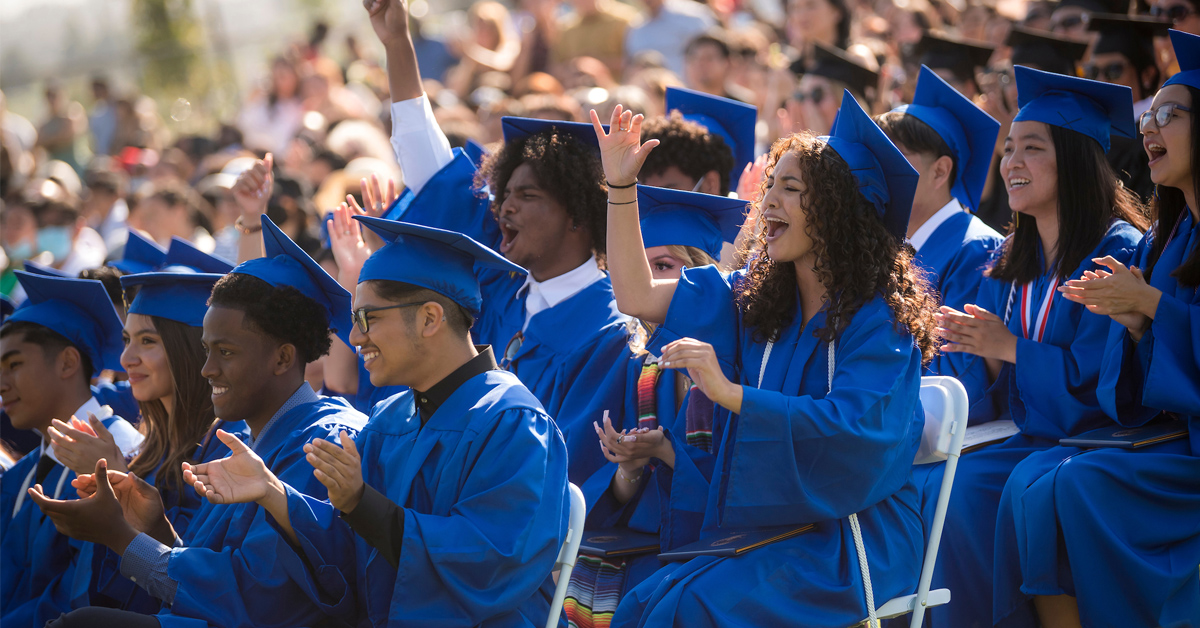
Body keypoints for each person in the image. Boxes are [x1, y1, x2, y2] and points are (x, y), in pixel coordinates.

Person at [593, 92, 938, 627]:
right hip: (769, 527)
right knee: (643, 603)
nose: (769, 200)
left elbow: (854, 433)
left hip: (849, 537)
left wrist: (732, 394)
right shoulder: (753, 300)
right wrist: (620, 187)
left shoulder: (877, 323)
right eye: (770, 186)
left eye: (792, 189)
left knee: (690, 607)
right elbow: (635, 295)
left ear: (838, 210)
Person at [188, 216, 571, 626]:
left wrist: (361, 504)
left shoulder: (512, 421)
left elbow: (491, 562)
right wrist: (273, 493)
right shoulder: (390, 419)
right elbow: (351, 556)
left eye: (368, 318)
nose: (353, 337)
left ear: (429, 318)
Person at [30, 216, 368, 628]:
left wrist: (120, 536)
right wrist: (154, 526)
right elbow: (210, 576)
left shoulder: (324, 443)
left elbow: (255, 602)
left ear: (282, 357)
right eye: (206, 350)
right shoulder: (243, 440)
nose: (206, 369)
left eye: (225, 351)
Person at [354, 0, 631, 485]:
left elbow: (568, 466)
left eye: (527, 197)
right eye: (504, 194)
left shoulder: (607, 331)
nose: (504, 208)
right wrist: (397, 43)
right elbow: (430, 165)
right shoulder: (500, 285)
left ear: (577, 217)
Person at [924, 66, 1148, 628]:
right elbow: (997, 388)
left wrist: (1012, 348)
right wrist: (977, 347)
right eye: (1008, 149)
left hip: (1097, 440)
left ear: (1073, 158)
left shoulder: (1117, 249)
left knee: (974, 490)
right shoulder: (1011, 261)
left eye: (1031, 148)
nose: (1011, 163)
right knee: (940, 483)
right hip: (1031, 434)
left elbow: (1109, 384)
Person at [993, 28, 1200, 628]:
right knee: (1031, 483)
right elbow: (1141, 375)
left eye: (1169, 113)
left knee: (1076, 483)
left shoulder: (1125, 244)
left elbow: (1103, 390)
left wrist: (1154, 311)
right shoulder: (1171, 239)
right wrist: (1138, 323)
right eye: (1149, 115)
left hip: (1185, 445)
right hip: (1178, 434)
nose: (1148, 127)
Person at [566, 185, 743, 628]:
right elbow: (625, 496)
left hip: (716, 551)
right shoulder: (641, 366)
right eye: (637, 267)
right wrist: (628, 465)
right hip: (644, 544)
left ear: (701, 279)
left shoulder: (740, 365)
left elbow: (737, 496)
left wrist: (666, 452)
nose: (642, 282)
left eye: (663, 267)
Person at [61, 271, 249, 615]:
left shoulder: (230, 448)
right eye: (127, 339)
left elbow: (207, 584)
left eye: (147, 341)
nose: (126, 358)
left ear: (191, 349)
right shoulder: (150, 450)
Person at [0, 271, 141, 627]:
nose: (1, 384)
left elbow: (87, 594)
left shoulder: (122, 453)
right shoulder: (27, 469)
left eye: (14, 365)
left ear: (67, 362)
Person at [876, 65, 1003, 379]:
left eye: (897, 156)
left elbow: (960, 373)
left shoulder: (976, 249)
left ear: (940, 171)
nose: (881, 168)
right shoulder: (888, 245)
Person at [624, 0, 716, 77]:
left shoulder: (693, 17)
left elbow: (713, 53)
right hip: (651, 96)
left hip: (689, 94)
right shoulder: (635, 29)